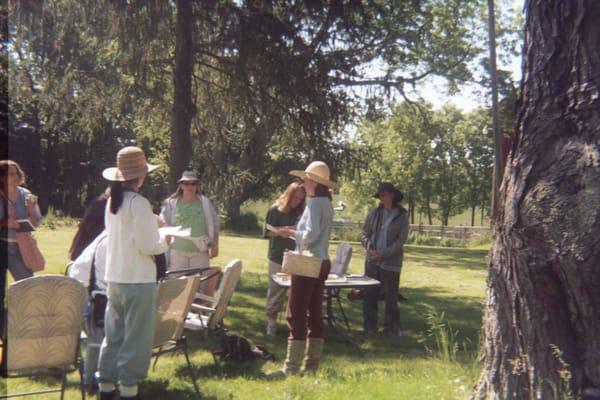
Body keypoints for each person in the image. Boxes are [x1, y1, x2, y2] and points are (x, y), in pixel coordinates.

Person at [97, 146, 170, 400]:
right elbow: (148, 245)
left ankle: (106, 385)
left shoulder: (112, 202)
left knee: (114, 334)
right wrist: (166, 240)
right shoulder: (138, 203)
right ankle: (129, 389)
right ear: (141, 174)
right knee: (136, 337)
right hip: (138, 278)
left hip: (115, 276)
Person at [268, 161, 335, 378]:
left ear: (313, 181)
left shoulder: (315, 204)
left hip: (308, 262)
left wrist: (291, 234)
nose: (303, 182)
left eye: (306, 179)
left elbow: (311, 236)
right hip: (323, 261)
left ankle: (291, 368)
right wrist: (295, 231)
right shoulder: (326, 203)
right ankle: (311, 367)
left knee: (296, 313)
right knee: (315, 313)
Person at [67, 193, 109, 394]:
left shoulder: (105, 233)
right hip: (86, 288)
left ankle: (98, 372)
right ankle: (89, 379)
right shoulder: (107, 237)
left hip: (90, 285)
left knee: (99, 333)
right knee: (96, 335)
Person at [360, 182, 409, 336]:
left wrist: (384, 254)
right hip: (372, 261)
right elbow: (363, 234)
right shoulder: (374, 213)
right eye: (379, 195)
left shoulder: (402, 216)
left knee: (391, 298)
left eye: (383, 195)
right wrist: (371, 248)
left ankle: (392, 329)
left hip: (391, 263)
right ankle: (369, 328)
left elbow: (400, 240)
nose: (381, 198)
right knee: (369, 296)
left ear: (392, 195)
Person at [263, 182, 306, 336]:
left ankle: (293, 327)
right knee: (275, 290)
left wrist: (294, 229)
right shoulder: (275, 210)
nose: (297, 201)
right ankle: (271, 325)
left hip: (296, 256)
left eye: (300, 199)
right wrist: (280, 232)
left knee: (295, 293)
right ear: (288, 195)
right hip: (278, 256)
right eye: (295, 198)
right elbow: (267, 232)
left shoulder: (301, 212)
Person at [160, 170, 219, 272]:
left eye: (193, 183)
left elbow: (215, 225)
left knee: (198, 284)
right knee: (177, 283)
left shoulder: (205, 202)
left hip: (199, 251)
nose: (190, 186)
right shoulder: (171, 203)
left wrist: (215, 245)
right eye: (186, 183)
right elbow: (163, 221)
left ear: (197, 186)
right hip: (177, 251)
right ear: (181, 185)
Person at [0, 160, 43, 282]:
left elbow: (36, 222)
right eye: (10, 174)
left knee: (27, 285)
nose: (15, 176)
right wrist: (5, 223)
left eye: (16, 173)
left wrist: (32, 210)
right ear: (2, 177)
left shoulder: (26, 194)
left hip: (20, 246)